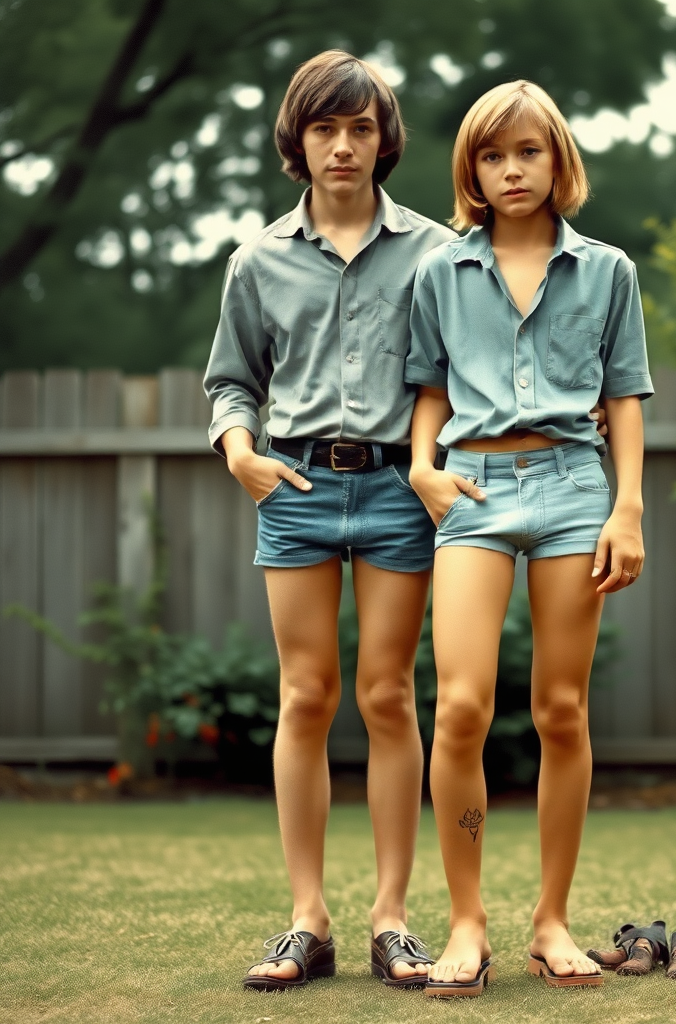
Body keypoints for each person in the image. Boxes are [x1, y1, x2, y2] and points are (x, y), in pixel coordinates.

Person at [203, 50, 456, 991]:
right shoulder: (257, 260)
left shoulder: (437, 251)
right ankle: (307, 921)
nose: (342, 145)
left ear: (383, 140)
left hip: (400, 492)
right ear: (298, 142)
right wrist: (239, 451)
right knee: (306, 696)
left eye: (359, 128)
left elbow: (460, 371)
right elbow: (232, 380)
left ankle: (392, 919)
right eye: (324, 128)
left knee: (387, 695)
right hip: (296, 490)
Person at [405, 80, 652, 997]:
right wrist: (423, 465)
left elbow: (623, 396)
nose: (512, 170)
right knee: (460, 708)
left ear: (559, 162)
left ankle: (552, 920)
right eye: (492, 155)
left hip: (572, 488)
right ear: (472, 169)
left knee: (561, 709)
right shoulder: (441, 271)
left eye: (529, 152)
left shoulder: (610, 271)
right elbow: (428, 385)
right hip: (469, 489)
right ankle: (467, 923)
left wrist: (626, 509)